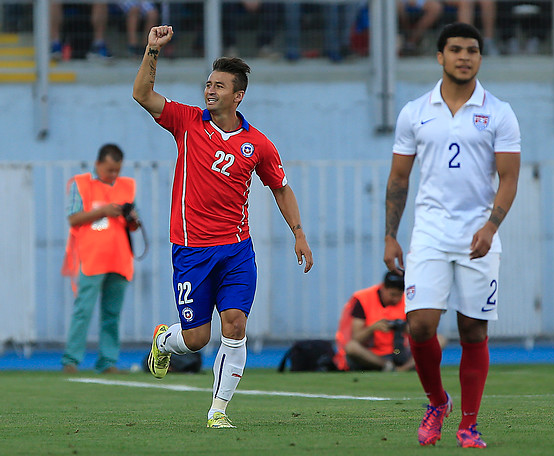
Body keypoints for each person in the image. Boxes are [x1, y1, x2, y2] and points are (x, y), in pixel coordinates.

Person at [132, 26, 313, 429]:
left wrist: (298, 232)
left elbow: (281, 188)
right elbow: (142, 95)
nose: (209, 90)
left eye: (219, 85)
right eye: (208, 84)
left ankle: (218, 412)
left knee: (235, 325)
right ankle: (165, 340)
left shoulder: (258, 144)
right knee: (196, 339)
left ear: (238, 94)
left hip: (236, 250)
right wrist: (151, 50)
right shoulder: (186, 121)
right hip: (191, 250)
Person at [383, 22, 520, 448]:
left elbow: (510, 178)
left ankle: (469, 424)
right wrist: (390, 236)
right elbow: (399, 179)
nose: (465, 56)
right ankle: (437, 402)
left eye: (473, 50)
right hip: (429, 234)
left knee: (473, 331)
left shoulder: (499, 111)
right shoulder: (414, 111)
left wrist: (491, 226)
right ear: (440, 57)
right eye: (456, 49)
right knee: (420, 326)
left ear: (480, 58)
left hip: (479, 234)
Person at [60, 144, 140, 374]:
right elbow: (74, 218)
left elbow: (132, 225)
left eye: (117, 170)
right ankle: (71, 360)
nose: (113, 175)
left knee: (112, 314)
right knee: (83, 310)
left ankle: (107, 361)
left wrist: (133, 219)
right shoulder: (81, 184)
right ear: (98, 165)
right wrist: (103, 210)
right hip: (92, 258)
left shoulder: (127, 186)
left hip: (120, 259)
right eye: (109, 170)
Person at [333, 271, 415, 372]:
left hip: (399, 351)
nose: (396, 299)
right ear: (383, 287)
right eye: (392, 295)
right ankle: (387, 366)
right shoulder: (364, 299)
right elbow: (356, 338)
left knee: (438, 339)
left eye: (399, 295)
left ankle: (403, 369)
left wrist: (405, 328)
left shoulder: (409, 299)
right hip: (373, 354)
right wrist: (373, 327)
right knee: (351, 347)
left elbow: (419, 332)